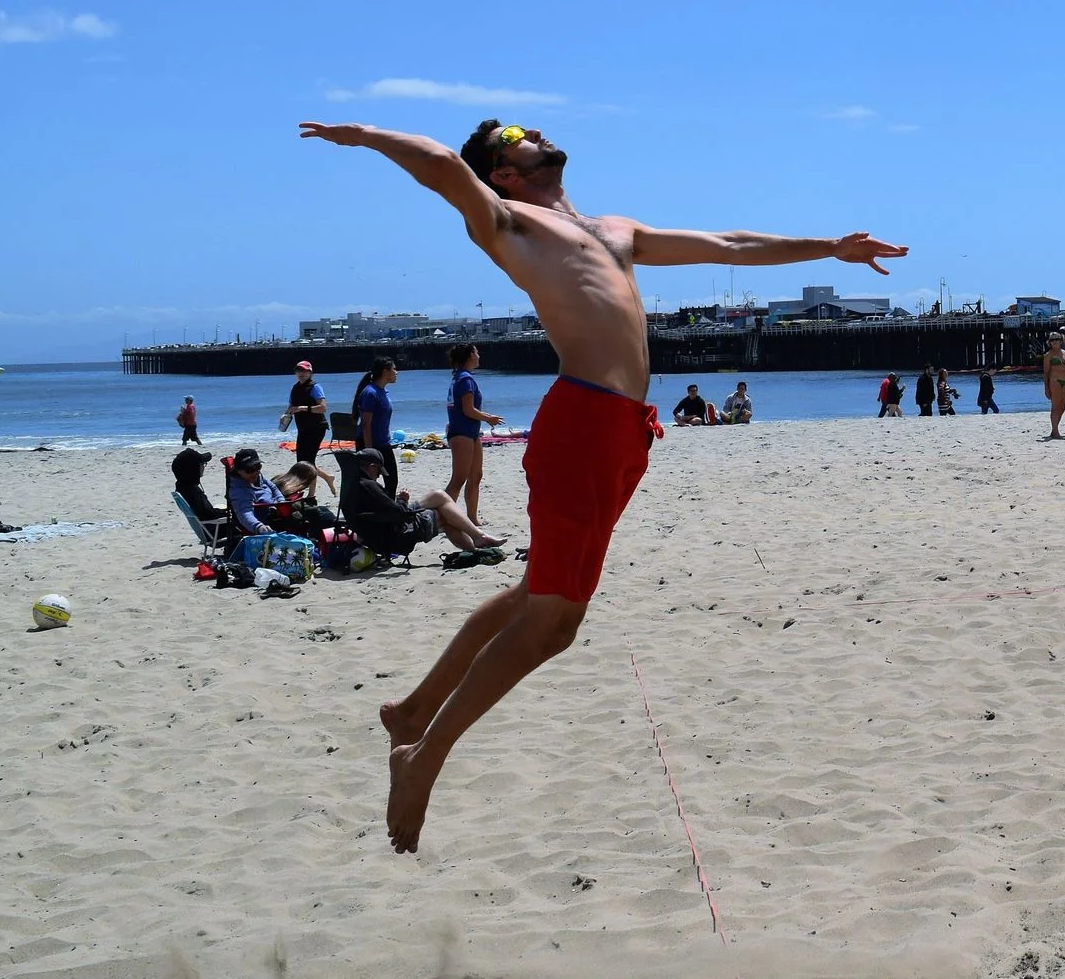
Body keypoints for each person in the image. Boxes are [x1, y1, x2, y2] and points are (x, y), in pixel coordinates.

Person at [300, 115, 902, 853]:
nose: (537, 131)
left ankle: (415, 710)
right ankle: (422, 758)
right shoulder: (506, 220)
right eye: (518, 132)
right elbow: (437, 164)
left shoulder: (614, 228)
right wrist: (362, 134)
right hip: (582, 420)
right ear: (505, 171)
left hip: (623, 432)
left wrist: (831, 247)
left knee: (535, 595)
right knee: (555, 622)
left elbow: (731, 245)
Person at [343, 447, 503, 557]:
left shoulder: (353, 482)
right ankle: (477, 543)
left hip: (378, 529)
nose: (378, 476)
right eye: (378, 471)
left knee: (439, 495)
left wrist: (399, 502)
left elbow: (385, 511)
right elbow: (401, 514)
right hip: (395, 535)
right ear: (371, 467)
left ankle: (477, 539)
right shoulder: (369, 485)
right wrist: (402, 500)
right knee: (446, 516)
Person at [444, 344, 503, 525]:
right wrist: (489, 418)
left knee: (476, 476)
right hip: (461, 433)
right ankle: (442, 517)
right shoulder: (464, 379)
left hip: (472, 432)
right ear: (470, 355)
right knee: (459, 478)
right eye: (476, 352)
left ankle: (472, 518)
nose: (479, 355)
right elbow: (468, 409)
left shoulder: (462, 377)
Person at [352, 358, 399, 495]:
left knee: (391, 480)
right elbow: (366, 424)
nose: (397, 372)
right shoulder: (370, 393)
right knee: (367, 481)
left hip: (383, 444)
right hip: (370, 444)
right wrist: (369, 450)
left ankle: (389, 510)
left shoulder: (382, 391)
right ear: (385, 372)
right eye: (394, 369)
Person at [224, 448, 290, 535]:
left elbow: (273, 487)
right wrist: (258, 526)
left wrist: (281, 501)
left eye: (258, 467)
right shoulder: (239, 490)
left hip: (277, 509)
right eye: (249, 470)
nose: (255, 472)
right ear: (239, 471)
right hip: (266, 521)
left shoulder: (258, 476)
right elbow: (244, 513)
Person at [283, 362, 328, 473]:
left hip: (317, 428)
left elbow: (322, 408)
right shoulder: (295, 388)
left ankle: (311, 491)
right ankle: (328, 478)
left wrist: (303, 408)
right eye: (298, 371)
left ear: (310, 372)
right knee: (301, 462)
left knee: (308, 462)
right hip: (303, 428)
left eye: (304, 371)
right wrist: (285, 415)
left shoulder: (315, 387)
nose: (301, 373)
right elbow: (291, 407)